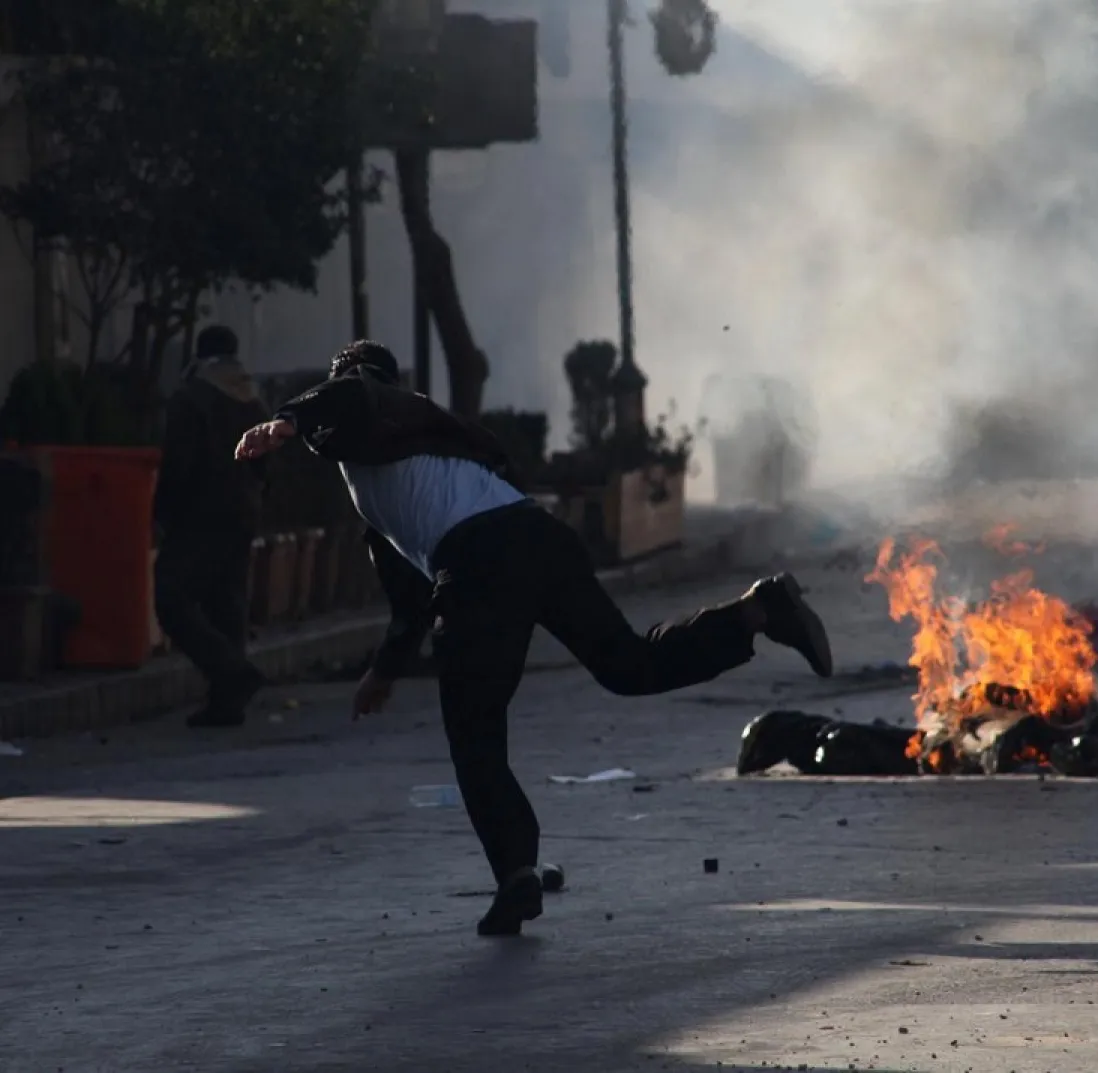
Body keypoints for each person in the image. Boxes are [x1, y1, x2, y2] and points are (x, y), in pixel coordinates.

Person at [234, 340, 834, 936]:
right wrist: (385, 669)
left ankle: (517, 872)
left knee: (475, 734)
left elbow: (355, 395)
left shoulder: (377, 412)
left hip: (481, 560)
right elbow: (409, 600)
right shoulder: (397, 470)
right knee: (628, 665)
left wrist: (284, 420)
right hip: (537, 540)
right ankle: (758, 611)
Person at [154, 325, 271, 728]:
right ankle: (227, 703)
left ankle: (232, 674)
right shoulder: (252, 399)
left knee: (170, 599)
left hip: (196, 514)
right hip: (242, 514)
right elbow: (268, 465)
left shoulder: (192, 398)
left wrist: (162, 514)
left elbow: (177, 465)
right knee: (227, 603)